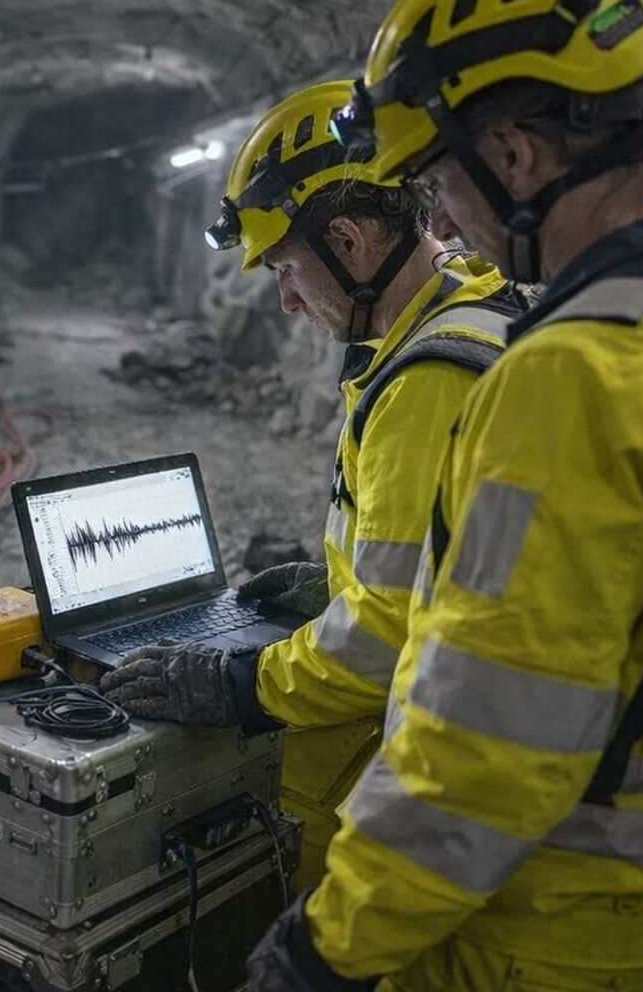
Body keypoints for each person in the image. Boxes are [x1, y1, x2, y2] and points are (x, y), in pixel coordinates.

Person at [247, 0, 643, 991]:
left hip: (530, 933)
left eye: (440, 179)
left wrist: (328, 943)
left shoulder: (571, 376)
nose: (438, 214)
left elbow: (482, 750)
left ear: (515, 156)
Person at [100, 80, 527, 889]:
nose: (289, 300)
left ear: (349, 240)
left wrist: (233, 682)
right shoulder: (482, 307)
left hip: (423, 772)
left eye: (287, 270)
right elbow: (438, 563)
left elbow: (382, 642)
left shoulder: (426, 381)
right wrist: (334, 583)